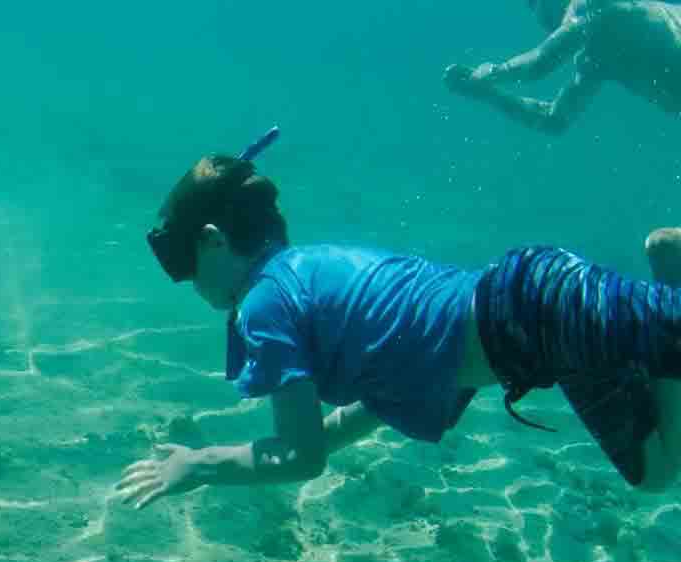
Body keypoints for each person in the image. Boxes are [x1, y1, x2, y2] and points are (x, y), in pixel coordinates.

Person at [116, 133, 681, 510]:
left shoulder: (265, 307)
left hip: (539, 313)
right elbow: (342, 423)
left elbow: (300, 456)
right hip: (543, 324)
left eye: (182, 266)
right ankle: (668, 282)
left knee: (676, 339)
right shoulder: (305, 270)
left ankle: (668, 300)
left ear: (213, 242)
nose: (189, 284)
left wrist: (199, 464)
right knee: (654, 472)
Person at [443, 0, 681, 135]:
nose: (537, 14)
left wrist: (492, 73)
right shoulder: (594, 60)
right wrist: (491, 96)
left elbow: (540, 64)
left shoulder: (595, 4)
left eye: (535, 3)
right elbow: (554, 120)